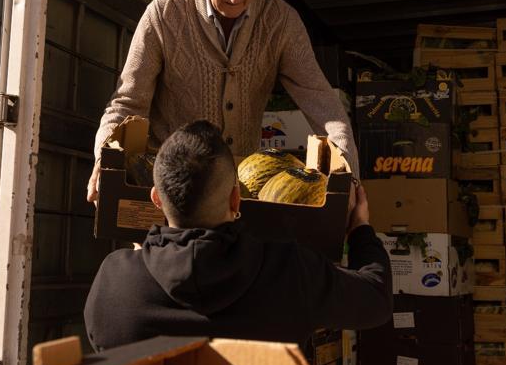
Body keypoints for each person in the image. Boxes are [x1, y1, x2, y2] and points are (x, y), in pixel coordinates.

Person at [87, 0, 357, 203]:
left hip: (239, 192)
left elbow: (324, 105)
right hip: (167, 190)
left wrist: (348, 175)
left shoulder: (281, 22)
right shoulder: (164, 15)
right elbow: (128, 103)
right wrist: (106, 159)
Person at [83, 121, 391, 351]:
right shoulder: (292, 272)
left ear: (156, 199)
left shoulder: (115, 283)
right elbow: (376, 300)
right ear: (236, 200)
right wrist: (360, 228)